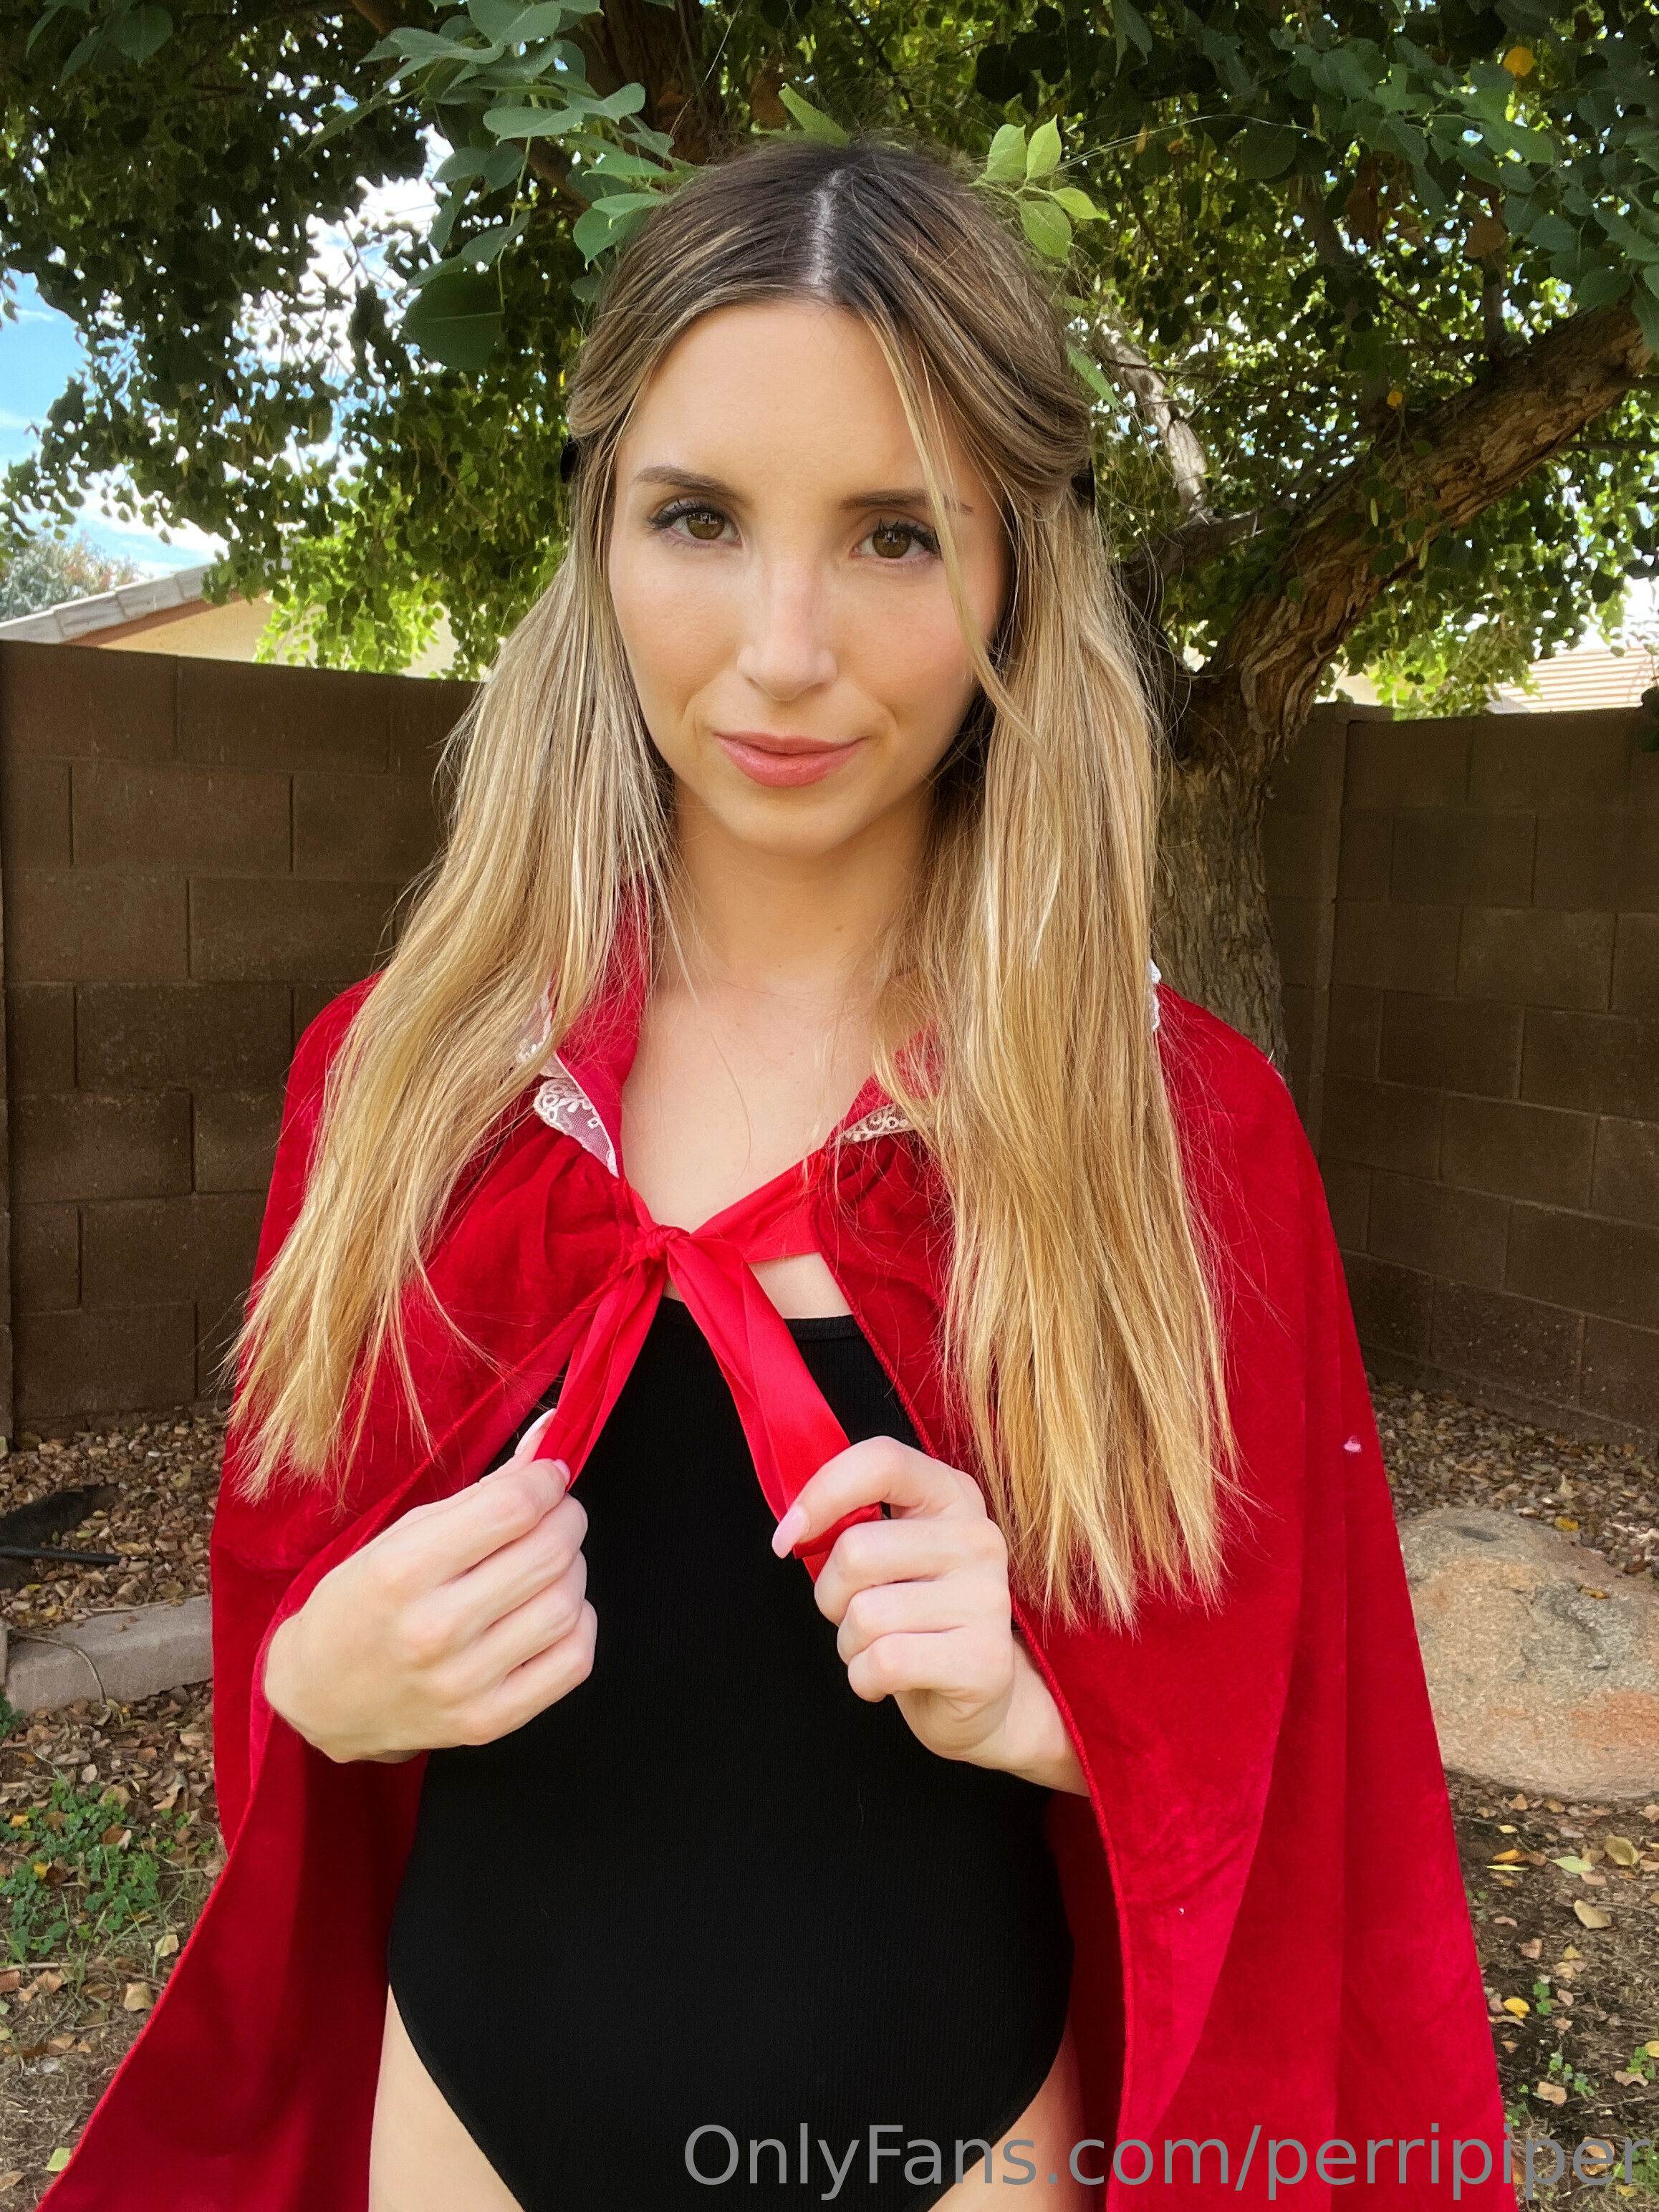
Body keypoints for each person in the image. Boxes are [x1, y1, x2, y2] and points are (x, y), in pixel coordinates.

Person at [42, 135, 1512, 2212]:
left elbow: (1300, 1746)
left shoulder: (1181, 1139)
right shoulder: (399, 1087)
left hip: (952, 2138)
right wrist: (313, 1682)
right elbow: (288, 1578)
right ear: (600, 538)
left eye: (895, 534)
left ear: (1020, 567)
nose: (784, 647)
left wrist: (1056, 1707)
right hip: (455, 2121)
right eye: (702, 519)